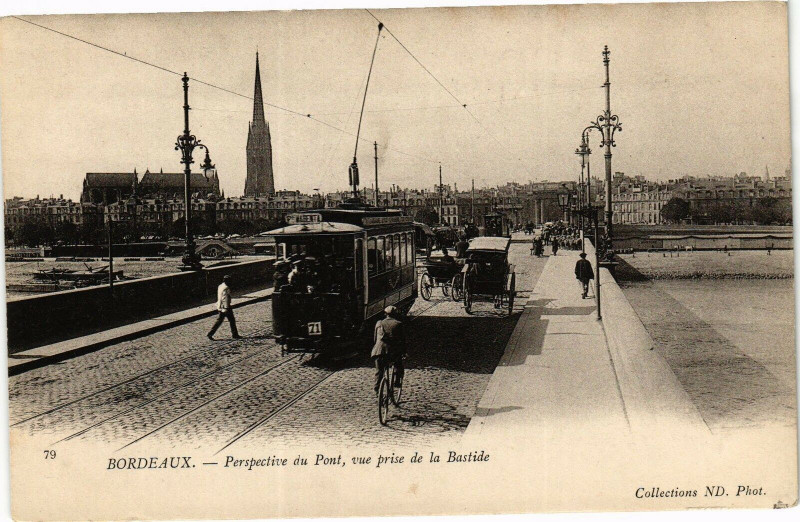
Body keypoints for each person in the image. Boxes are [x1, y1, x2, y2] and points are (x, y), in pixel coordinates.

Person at [371, 305, 406, 395]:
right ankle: (396, 382)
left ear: (385, 314)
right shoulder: (398, 324)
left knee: (379, 371)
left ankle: (377, 389)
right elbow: (402, 340)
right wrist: (404, 352)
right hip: (391, 352)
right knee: (398, 365)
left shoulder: (379, 323)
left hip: (377, 351)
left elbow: (375, 339)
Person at [208, 275, 240, 340]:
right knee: (231, 320)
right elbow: (225, 298)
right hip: (226, 307)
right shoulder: (227, 288)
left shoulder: (220, 286)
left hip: (220, 305)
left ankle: (210, 333)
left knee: (219, 321)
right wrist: (226, 308)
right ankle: (235, 334)